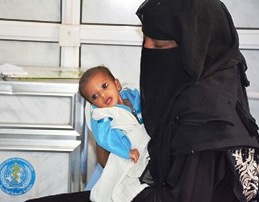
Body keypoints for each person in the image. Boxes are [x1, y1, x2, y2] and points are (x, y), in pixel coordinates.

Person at [132, 0, 259, 201]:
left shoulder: (205, 123)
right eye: (145, 41)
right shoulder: (217, 82)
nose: (148, 50)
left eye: (159, 45)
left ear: (197, 51)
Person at [26, 66, 150, 202]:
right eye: (95, 96)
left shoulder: (134, 97)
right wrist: (126, 151)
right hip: (128, 154)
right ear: (92, 104)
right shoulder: (103, 116)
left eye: (104, 86)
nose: (102, 95)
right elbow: (105, 139)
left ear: (117, 84)